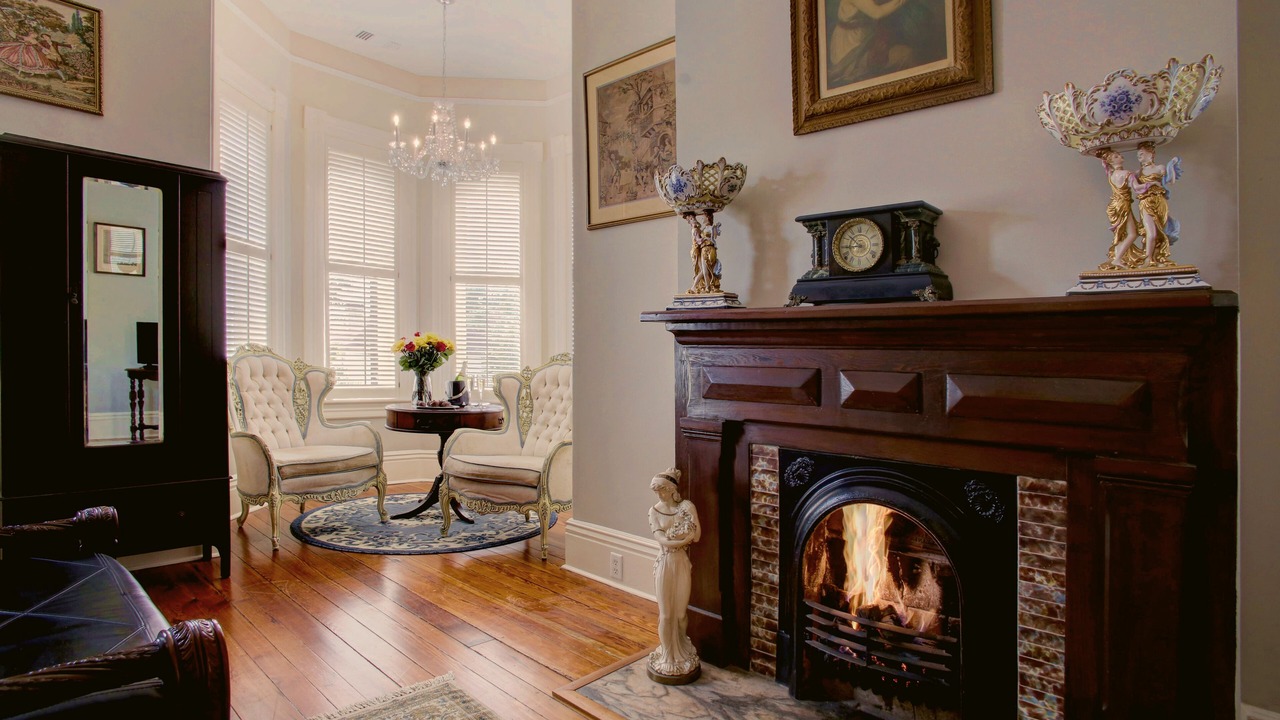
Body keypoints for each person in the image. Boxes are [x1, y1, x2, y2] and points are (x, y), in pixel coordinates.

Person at [647, 468, 701, 682]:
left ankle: (682, 652)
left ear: (672, 490)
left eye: (662, 490)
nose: (659, 494)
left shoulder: (685, 508)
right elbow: (662, 540)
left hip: (681, 563)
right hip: (665, 562)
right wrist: (683, 540)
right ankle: (667, 656)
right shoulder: (654, 511)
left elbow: (697, 536)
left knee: (680, 614)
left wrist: (693, 516)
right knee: (666, 615)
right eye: (656, 491)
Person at [1134, 142, 1183, 268]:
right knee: (1151, 233)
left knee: (1160, 231)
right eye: (1138, 154)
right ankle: (1148, 259)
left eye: (1142, 153)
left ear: (1151, 154)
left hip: (1160, 202)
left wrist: (1172, 165)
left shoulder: (1160, 168)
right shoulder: (1138, 173)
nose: (1139, 156)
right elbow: (1134, 187)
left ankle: (1157, 257)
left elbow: (1170, 181)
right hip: (1146, 202)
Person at [1096, 149, 1144, 270]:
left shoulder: (1111, 175)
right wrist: (1152, 184)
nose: (1120, 156)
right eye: (1116, 156)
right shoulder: (1126, 173)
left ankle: (1118, 254)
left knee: (1128, 233)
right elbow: (1137, 187)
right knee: (1133, 233)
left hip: (1115, 205)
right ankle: (1117, 258)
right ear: (1111, 162)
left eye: (1119, 155)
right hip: (1123, 206)